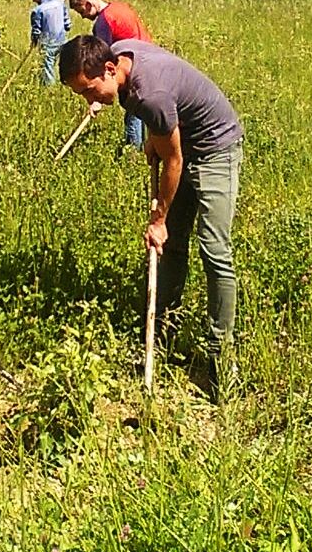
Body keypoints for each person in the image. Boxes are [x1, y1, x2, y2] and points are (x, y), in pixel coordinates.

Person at [58, 35, 243, 403]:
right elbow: (168, 134)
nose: (89, 100)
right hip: (183, 140)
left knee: (214, 251)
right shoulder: (122, 52)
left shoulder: (149, 95)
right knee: (172, 245)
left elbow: (174, 162)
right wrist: (158, 138)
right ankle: (162, 329)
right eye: (81, 94)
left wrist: (159, 218)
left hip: (215, 148)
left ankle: (222, 360)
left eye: (90, 90)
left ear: (110, 70)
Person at [69, 0, 152, 150]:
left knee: (133, 111)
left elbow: (100, 60)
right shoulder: (119, 7)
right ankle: (143, 147)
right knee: (144, 110)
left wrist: (97, 99)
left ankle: (133, 153)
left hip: (132, 67)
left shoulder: (102, 22)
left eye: (82, 12)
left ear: (89, 4)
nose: (84, 17)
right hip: (149, 59)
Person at [25, 0, 70, 85]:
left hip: (47, 44)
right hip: (63, 41)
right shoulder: (60, 4)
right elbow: (67, 25)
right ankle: (66, 85)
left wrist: (34, 42)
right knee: (64, 66)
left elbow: (36, 32)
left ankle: (50, 90)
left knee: (48, 69)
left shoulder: (38, 11)